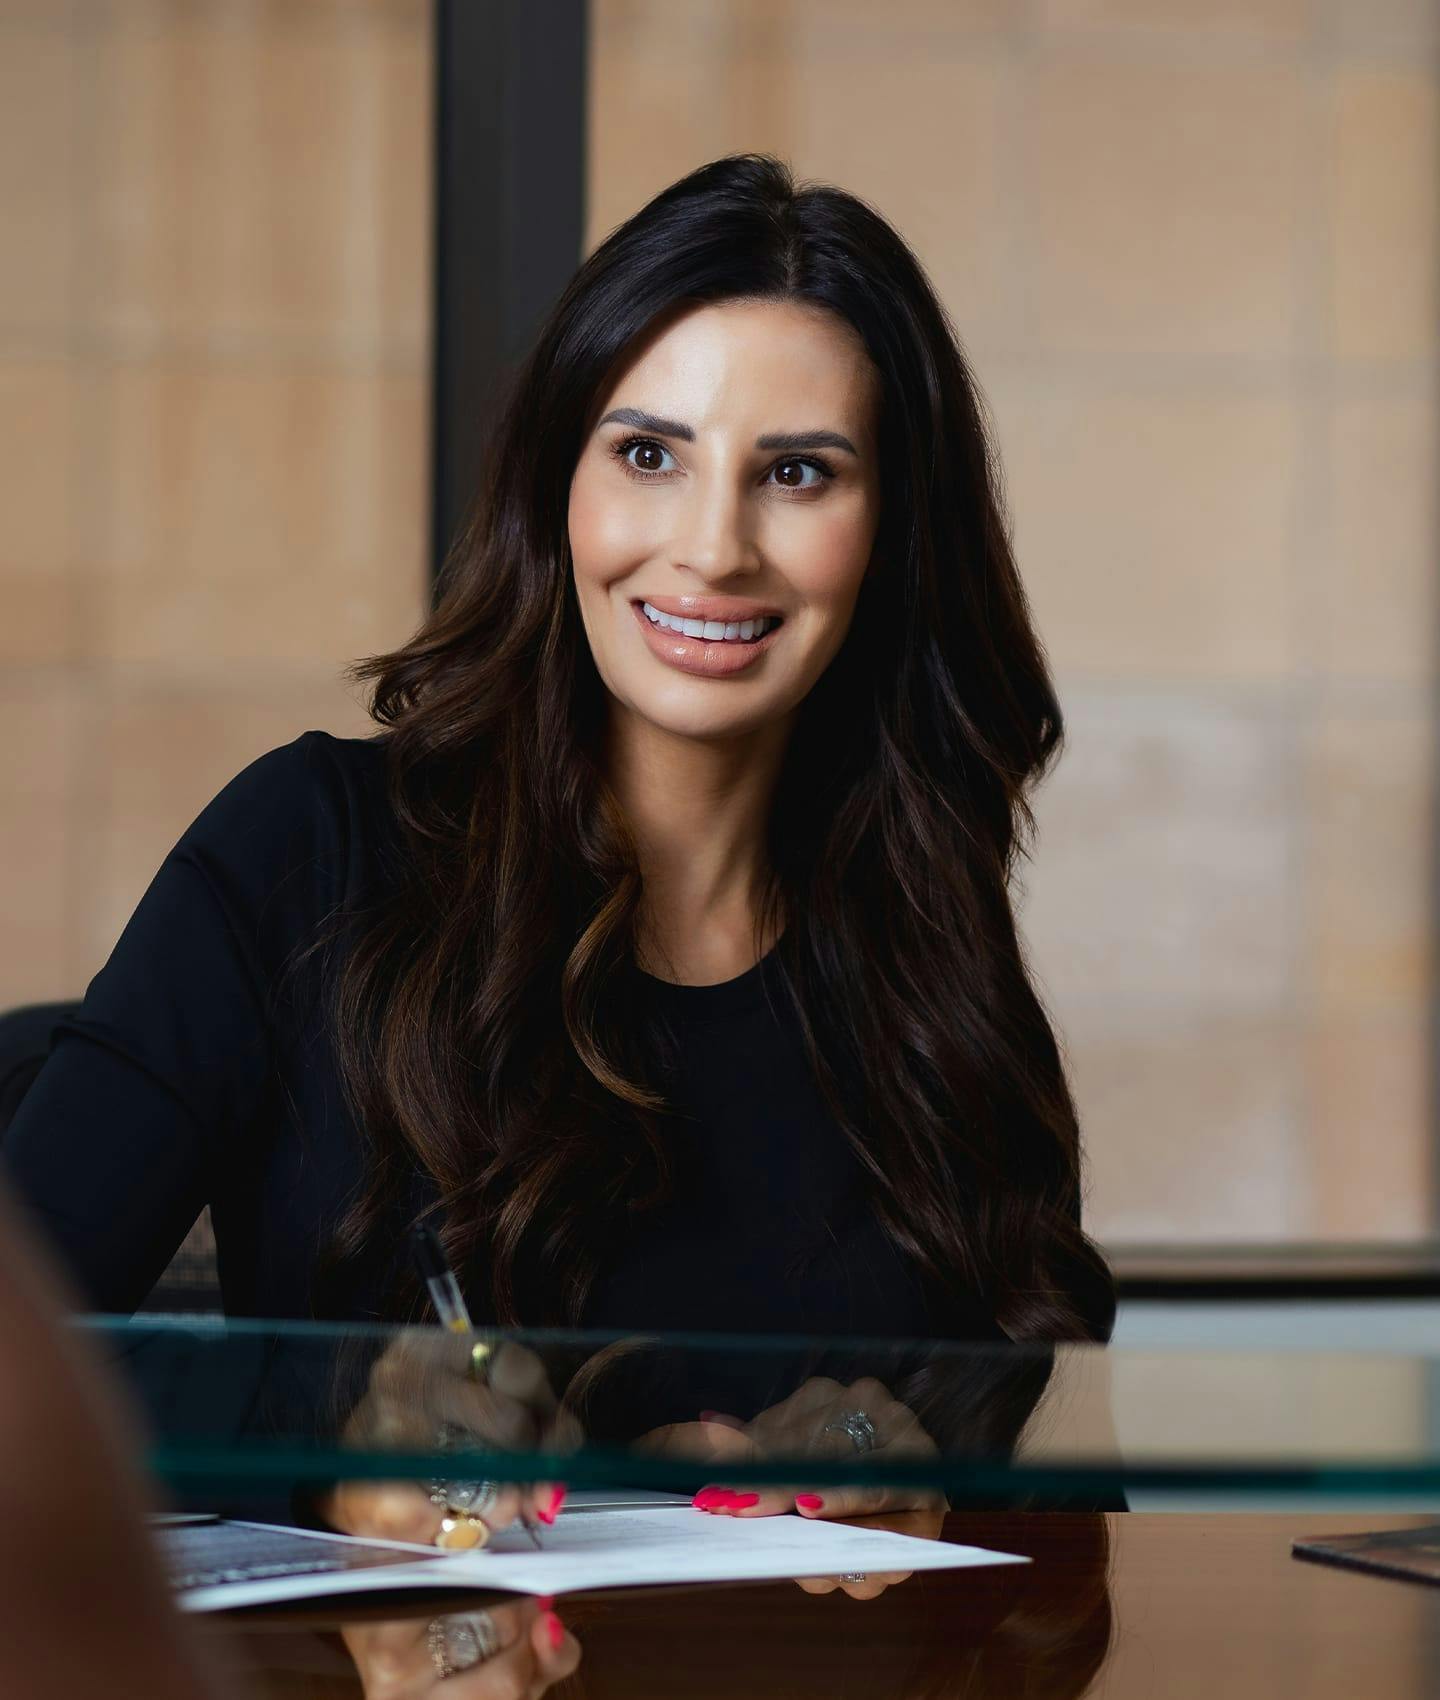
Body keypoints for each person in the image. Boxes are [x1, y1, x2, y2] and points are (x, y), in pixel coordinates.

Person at [4, 152, 1118, 1530]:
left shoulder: (934, 950)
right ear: (558, 485)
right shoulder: (304, 852)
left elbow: (1071, 1538)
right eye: (649, 454)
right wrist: (336, 1440)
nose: (714, 548)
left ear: (890, 537)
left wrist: (925, 1463)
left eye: (800, 473)